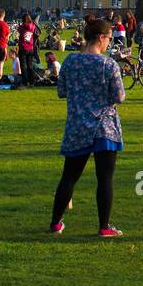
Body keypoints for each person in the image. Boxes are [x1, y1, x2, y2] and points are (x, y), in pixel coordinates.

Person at [49, 17, 126, 237]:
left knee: (69, 177)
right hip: (104, 127)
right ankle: (104, 226)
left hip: (77, 125)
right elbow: (119, 96)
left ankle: (55, 222)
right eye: (109, 39)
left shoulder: (71, 62)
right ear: (101, 38)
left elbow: (61, 91)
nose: (109, 43)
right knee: (104, 179)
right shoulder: (108, 64)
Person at [17, 13, 40, 86]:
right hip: (30, 48)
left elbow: (18, 30)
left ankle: (25, 81)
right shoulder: (33, 26)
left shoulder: (22, 27)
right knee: (30, 66)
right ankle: (32, 81)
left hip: (23, 48)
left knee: (23, 66)